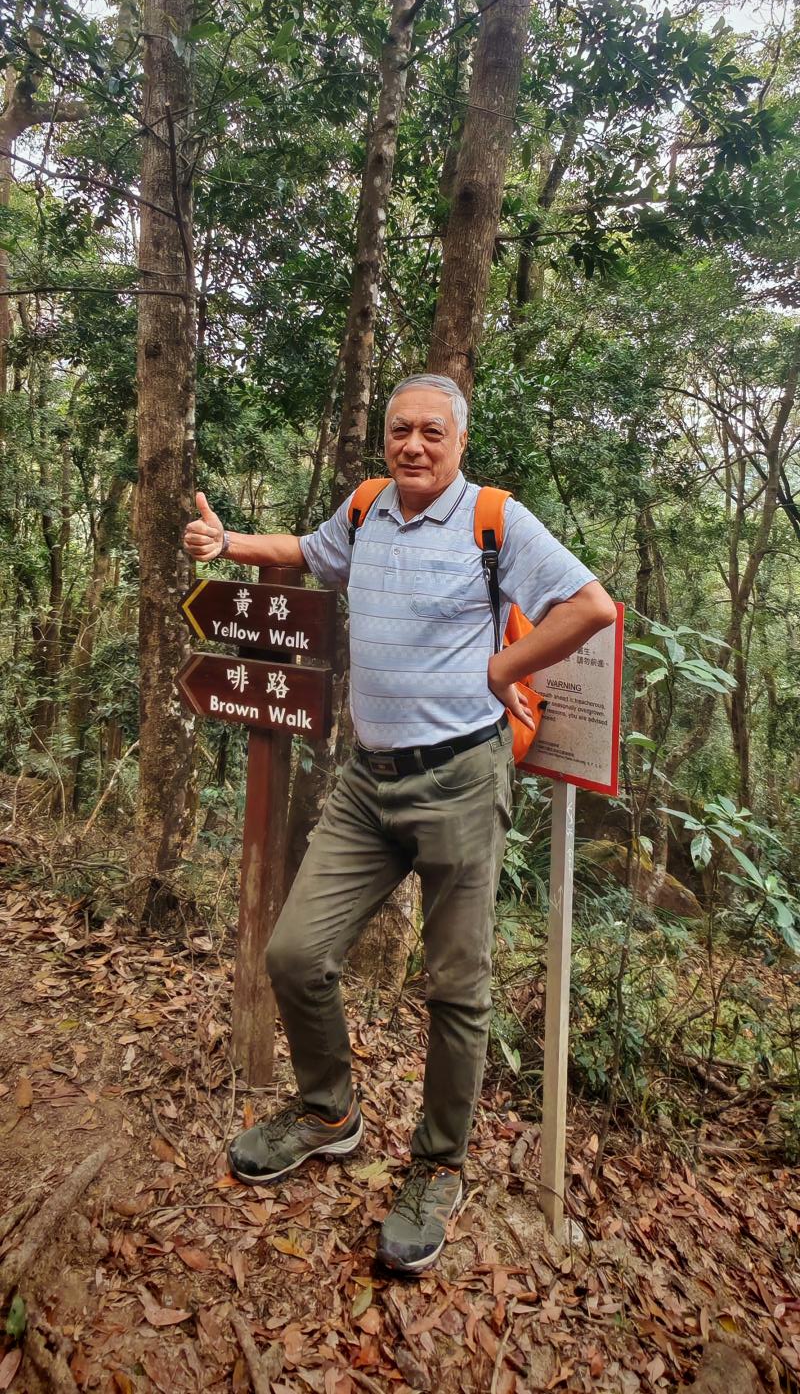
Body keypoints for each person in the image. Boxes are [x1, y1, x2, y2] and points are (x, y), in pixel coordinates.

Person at [184, 373, 616, 1275]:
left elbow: (590, 606)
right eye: (399, 431)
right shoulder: (368, 507)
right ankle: (329, 1111)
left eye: (431, 432)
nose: (413, 445)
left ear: (459, 441)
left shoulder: (495, 520)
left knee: (456, 989)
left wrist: (502, 670)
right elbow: (311, 551)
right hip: (366, 782)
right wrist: (229, 543)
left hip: (458, 780)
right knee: (295, 953)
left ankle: (438, 1166)